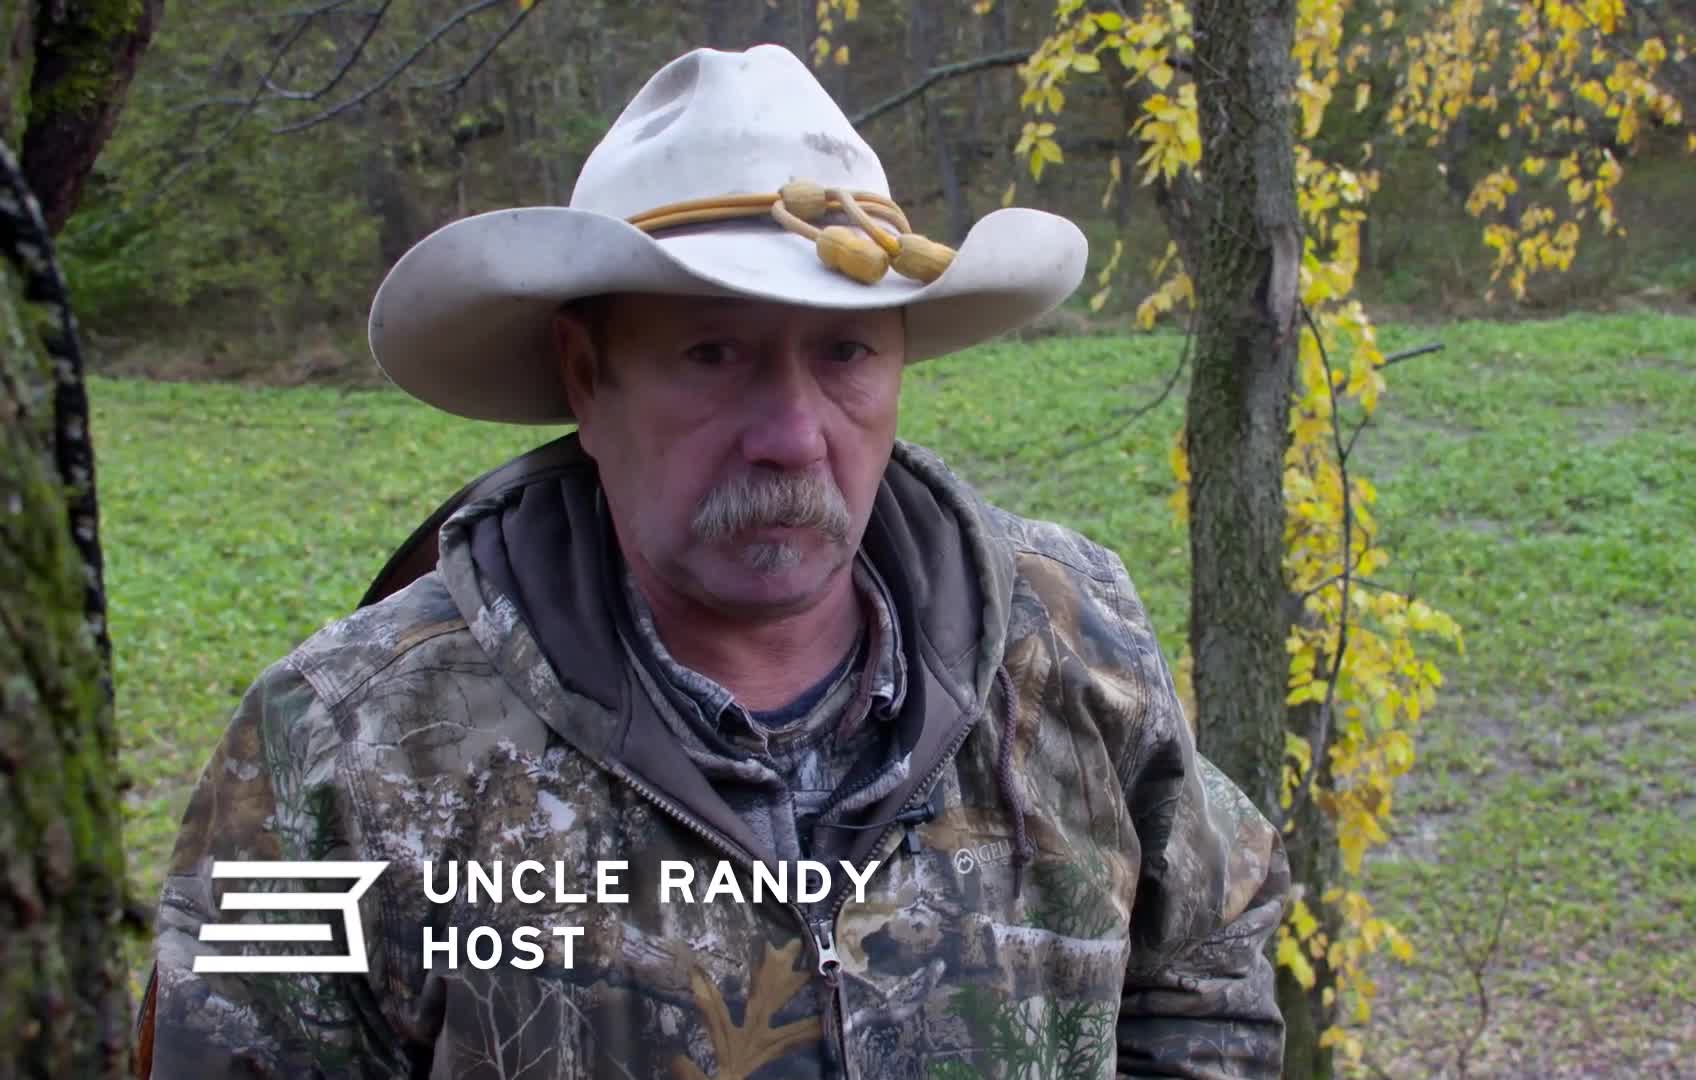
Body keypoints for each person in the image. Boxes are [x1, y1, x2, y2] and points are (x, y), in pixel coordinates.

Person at [140, 43, 1289, 1079]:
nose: (791, 434)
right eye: (711, 353)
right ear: (588, 377)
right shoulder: (333, 749)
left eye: (844, 352)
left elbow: (1208, 958)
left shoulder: (1073, 641)